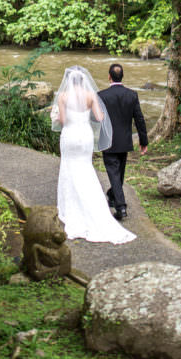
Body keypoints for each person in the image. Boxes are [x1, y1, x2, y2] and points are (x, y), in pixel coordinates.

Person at [50, 66, 135, 244]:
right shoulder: (90, 96)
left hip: (70, 136)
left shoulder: (64, 97)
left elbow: (63, 121)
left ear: (69, 81)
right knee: (85, 169)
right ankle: (94, 207)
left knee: (69, 168)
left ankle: (70, 208)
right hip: (85, 137)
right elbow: (99, 117)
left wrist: (57, 118)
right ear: (83, 81)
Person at [98, 62, 148, 221]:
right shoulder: (132, 95)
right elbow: (139, 119)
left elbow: (95, 119)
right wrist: (143, 140)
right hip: (125, 141)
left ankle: (121, 207)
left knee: (114, 174)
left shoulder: (101, 95)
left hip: (108, 141)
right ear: (122, 76)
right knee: (118, 174)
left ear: (109, 76)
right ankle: (113, 195)